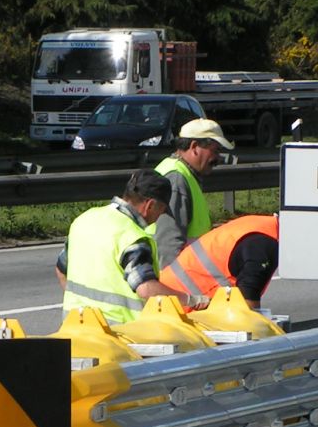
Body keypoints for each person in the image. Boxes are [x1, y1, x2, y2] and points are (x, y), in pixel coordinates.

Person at [56, 169, 210, 323]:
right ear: (150, 205)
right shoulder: (132, 237)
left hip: (74, 328)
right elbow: (146, 288)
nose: (159, 217)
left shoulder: (85, 219)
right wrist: (191, 300)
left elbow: (61, 270)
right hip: (118, 334)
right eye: (162, 211)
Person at [153, 118, 234, 263]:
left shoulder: (182, 173)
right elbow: (168, 245)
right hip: (176, 277)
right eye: (214, 151)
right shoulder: (176, 179)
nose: (217, 158)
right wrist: (172, 283)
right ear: (194, 146)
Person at [159, 213, 280, 309]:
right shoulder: (264, 246)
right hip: (177, 307)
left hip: (171, 297)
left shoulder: (263, 225)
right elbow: (247, 307)